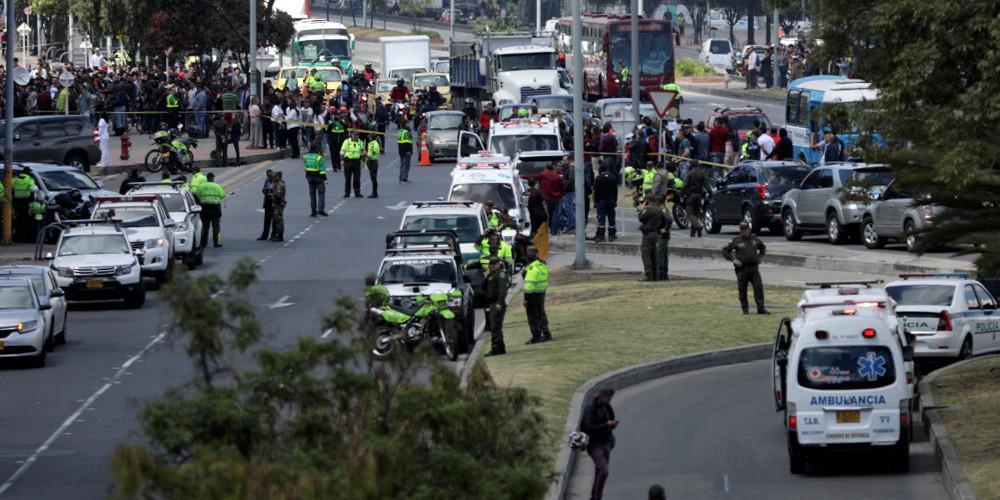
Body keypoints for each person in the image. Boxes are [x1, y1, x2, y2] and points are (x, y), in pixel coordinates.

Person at [722, 221, 770, 314]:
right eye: (741, 229)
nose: (743, 231)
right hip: (742, 269)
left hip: (754, 267)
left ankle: (761, 308)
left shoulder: (754, 239)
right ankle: (745, 309)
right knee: (742, 289)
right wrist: (733, 259)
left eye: (745, 229)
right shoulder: (736, 240)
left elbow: (762, 247)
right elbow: (725, 251)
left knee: (758, 287)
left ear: (749, 229)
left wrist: (761, 257)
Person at [581, 387, 618, 500]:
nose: (609, 400)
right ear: (601, 396)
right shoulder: (591, 408)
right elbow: (587, 427)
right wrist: (606, 425)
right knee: (604, 470)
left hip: (606, 443)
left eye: (610, 398)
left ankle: (594, 497)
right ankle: (597, 497)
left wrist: (612, 425)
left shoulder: (606, 406)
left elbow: (611, 417)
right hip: (594, 444)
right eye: (608, 398)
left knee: (599, 471)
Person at [523, 248, 552, 344]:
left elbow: (528, 286)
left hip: (532, 295)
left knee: (533, 317)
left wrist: (526, 299)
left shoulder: (532, 270)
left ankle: (536, 337)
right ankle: (546, 333)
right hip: (541, 293)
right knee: (541, 314)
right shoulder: (542, 265)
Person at [483, 256, 509, 357]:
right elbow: (483, 287)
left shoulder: (501, 274)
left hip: (497, 303)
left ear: (499, 264)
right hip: (492, 303)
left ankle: (495, 349)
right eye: (491, 264)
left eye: (495, 263)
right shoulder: (491, 275)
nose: (493, 265)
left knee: (495, 327)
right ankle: (501, 349)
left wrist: (499, 303)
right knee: (496, 327)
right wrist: (486, 277)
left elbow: (503, 290)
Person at [638, 196, 668, 281]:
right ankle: (655, 275)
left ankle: (648, 275)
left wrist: (641, 209)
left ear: (648, 201)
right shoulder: (659, 210)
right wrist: (662, 229)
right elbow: (665, 221)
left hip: (648, 234)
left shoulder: (648, 210)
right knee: (654, 255)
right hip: (656, 234)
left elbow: (641, 218)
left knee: (646, 254)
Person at [198, 172, 226, 248]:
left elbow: (197, 194)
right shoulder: (217, 186)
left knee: (205, 226)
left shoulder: (202, 186)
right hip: (215, 208)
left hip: (205, 207)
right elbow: (222, 196)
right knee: (216, 227)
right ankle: (217, 242)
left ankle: (204, 243)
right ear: (213, 178)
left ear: (207, 178)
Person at [591, 164, 618, 242]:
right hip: (611, 200)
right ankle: (612, 235)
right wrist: (615, 201)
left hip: (601, 201)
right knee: (611, 218)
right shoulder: (612, 177)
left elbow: (596, 192)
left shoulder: (598, 178)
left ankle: (601, 235)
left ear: (600, 170)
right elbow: (615, 191)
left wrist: (595, 202)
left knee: (601, 218)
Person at [684, 161, 711, 237]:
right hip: (699, 195)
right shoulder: (701, 173)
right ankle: (693, 233)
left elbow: (685, 185)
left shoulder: (689, 173)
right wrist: (710, 195)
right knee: (696, 213)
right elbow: (707, 186)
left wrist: (683, 194)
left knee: (690, 213)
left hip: (691, 195)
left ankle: (698, 226)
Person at [537, 162, 564, 235]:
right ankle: (554, 231)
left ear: (546, 168)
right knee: (555, 215)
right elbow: (561, 186)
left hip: (546, 198)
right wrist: (561, 194)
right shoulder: (557, 176)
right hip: (556, 198)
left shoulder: (542, 175)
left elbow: (533, 176)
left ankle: (546, 230)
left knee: (546, 214)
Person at [12, 167, 37, 242]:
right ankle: (24, 236)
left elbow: (10, 186)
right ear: (28, 172)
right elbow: (33, 189)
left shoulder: (15, 179)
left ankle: (17, 236)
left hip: (16, 202)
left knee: (18, 218)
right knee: (26, 219)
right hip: (27, 202)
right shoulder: (30, 179)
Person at [303, 144, 328, 216]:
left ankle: (313, 212)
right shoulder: (319, 158)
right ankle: (320, 210)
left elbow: (306, 166)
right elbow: (322, 170)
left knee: (312, 194)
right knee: (321, 193)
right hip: (318, 177)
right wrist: (325, 179)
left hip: (309, 177)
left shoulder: (305, 157)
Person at [340, 130, 364, 198]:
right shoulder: (347, 142)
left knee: (357, 178)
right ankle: (347, 193)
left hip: (357, 162)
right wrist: (342, 160)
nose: (356, 136)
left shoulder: (360, 142)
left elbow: (362, 151)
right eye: (354, 134)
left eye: (357, 135)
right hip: (348, 162)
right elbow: (342, 152)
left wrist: (363, 160)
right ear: (351, 135)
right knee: (347, 178)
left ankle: (357, 192)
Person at [655, 197, 673, 281]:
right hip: (662, 235)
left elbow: (669, 219)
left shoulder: (662, 209)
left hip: (662, 236)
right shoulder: (660, 208)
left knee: (660, 255)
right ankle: (663, 274)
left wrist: (664, 229)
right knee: (663, 255)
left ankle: (661, 274)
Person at [258, 169, 275, 241]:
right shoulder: (267, 181)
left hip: (274, 202)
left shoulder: (276, 181)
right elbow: (264, 189)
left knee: (275, 219)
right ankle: (264, 235)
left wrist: (271, 192)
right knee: (266, 219)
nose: (269, 177)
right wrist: (266, 191)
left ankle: (274, 235)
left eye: (270, 175)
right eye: (268, 176)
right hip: (267, 202)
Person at [270, 171, 286, 241]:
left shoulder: (280, 185)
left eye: (274, 177)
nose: (273, 178)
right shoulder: (276, 183)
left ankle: (280, 235)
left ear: (278, 177)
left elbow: (278, 195)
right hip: (276, 203)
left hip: (279, 204)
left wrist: (272, 194)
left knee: (279, 220)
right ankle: (278, 234)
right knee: (277, 219)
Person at [365, 129, 381, 198]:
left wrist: (366, 154)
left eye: (369, 137)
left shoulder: (374, 144)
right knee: (373, 177)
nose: (368, 138)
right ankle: (374, 192)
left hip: (373, 161)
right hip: (371, 161)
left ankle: (374, 193)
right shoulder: (372, 143)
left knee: (373, 178)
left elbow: (373, 153)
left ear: (371, 137)